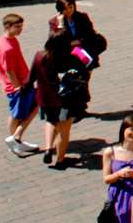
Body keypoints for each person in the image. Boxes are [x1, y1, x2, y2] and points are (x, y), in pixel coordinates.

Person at [29, 28, 85, 167]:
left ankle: (48, 148)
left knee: (50, 121)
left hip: (46, 98)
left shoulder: (40, 56)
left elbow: (32, 76)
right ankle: (60, 160)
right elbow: (83, 76)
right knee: (64, 131)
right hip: (66, 101)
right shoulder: (72, 59)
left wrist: (25, 88)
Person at [0, 13, 38, 158]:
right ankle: (15, 139)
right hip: (18, 86)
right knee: (20, 113)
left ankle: (16, 140)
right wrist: (18, 86)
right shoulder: (7, 48)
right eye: (17, 26)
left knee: (18, 113)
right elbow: (9, 70)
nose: (21, 29)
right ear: (8, 26)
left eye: (21, 26)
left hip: (23, 83)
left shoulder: (10, 40)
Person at [101, 116, 133, 223]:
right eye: (132, 129)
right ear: (123, 129)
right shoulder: (110, 152)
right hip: (119, 198)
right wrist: (119, 174)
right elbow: (106, 179)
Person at [55, 0, 105, 73]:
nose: (68, 11)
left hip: (83, 52)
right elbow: (56, 42)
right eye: (65, 9)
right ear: (60, 9)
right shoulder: (55, 22)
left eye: (70, 7)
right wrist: (60, 26)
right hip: (67, 57)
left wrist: (80, 41)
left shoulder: (82, 17)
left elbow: (89, 33)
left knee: (86, 73)